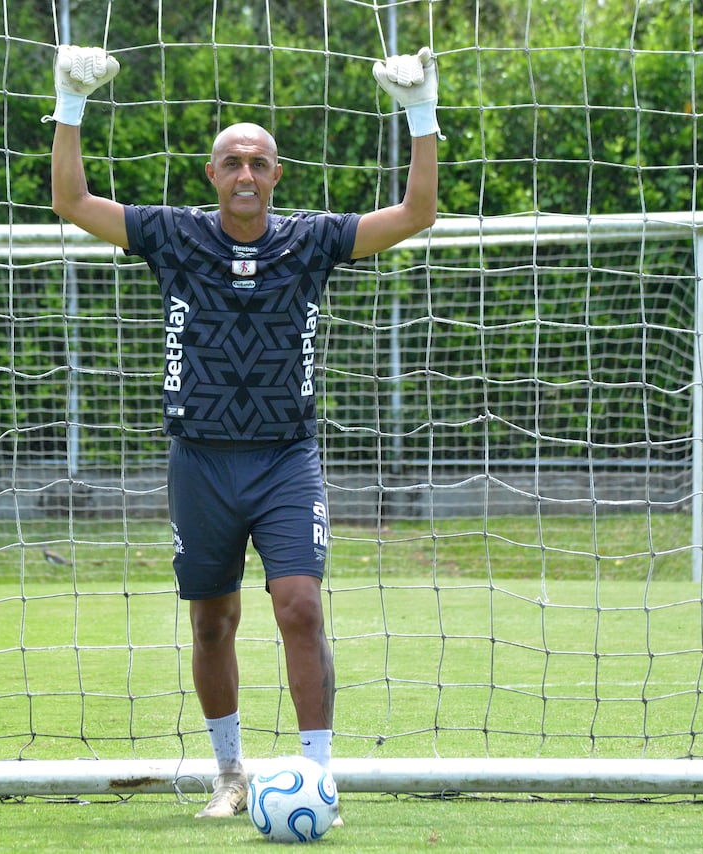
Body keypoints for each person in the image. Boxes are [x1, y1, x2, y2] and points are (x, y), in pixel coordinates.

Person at [47, 43, 440, 819]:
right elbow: (72, 201)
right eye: (232, 163)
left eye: (259, 163)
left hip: (286, 458)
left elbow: (417, 214)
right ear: (212, 175)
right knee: (213, 618)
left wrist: (419, 112)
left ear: (277, 176)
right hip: (199, 463)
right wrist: (70, 101)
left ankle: (317, 775)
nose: (246, 176)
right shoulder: (174, 236)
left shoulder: (312, 241)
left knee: (299, 604)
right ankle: (229, 775)